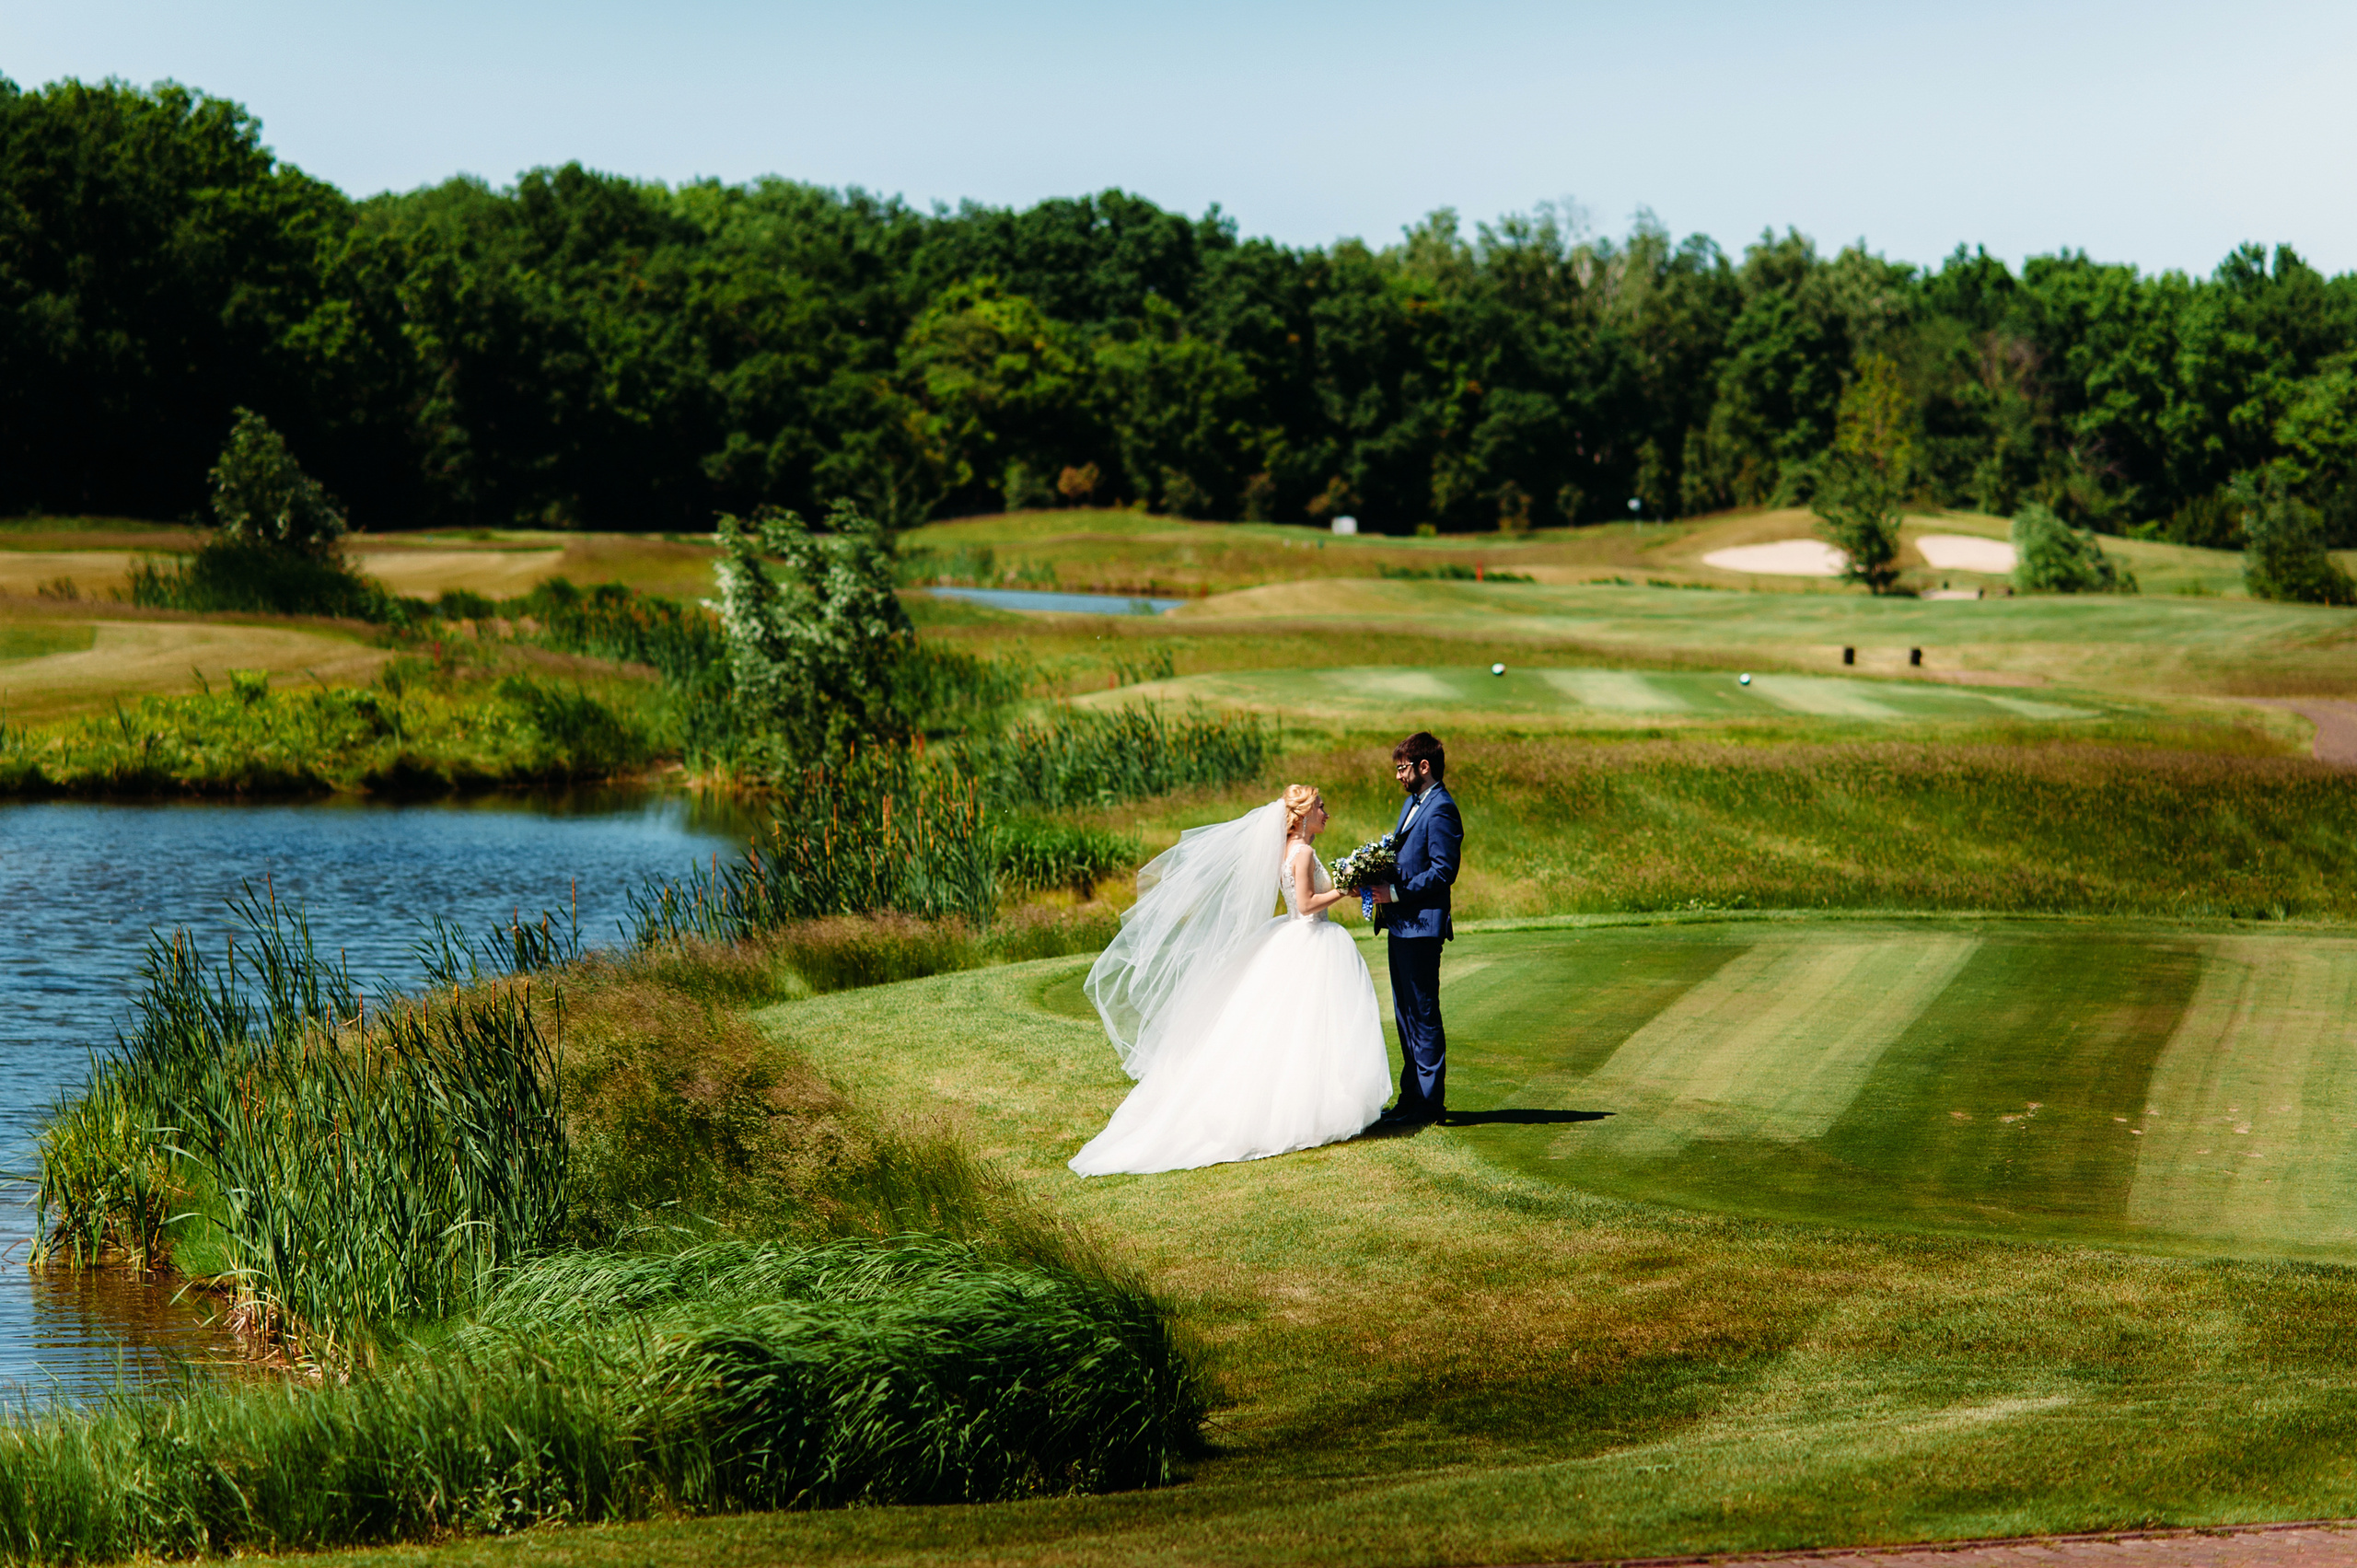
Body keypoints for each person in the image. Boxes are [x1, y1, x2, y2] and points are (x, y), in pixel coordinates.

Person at [1070, 784, 1391, 1176]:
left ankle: (1306, 1107)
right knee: (1307, 1028)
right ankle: (1306, 1111)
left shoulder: (1288, 851)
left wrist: (1349, 885)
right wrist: (1341, 891)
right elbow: (1306, 905)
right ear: (1304, 814)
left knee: (1291, 1031)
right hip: (1309, 938)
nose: (1327, 813)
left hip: (1295, 938)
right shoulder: (1302, 852)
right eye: (1322, 807)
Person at [1368, 731, 1461, 1125]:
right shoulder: (1412, 803)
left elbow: (1443, 871)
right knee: (1405, 1013)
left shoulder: (1441, 808)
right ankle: (1411, 1098)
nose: (1398, 776)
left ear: (1424, 766)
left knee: (1422, 1012)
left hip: (1421, 927)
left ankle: (1429, 1104)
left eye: (1402, 768)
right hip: (1401, 926)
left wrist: (1396, 892)